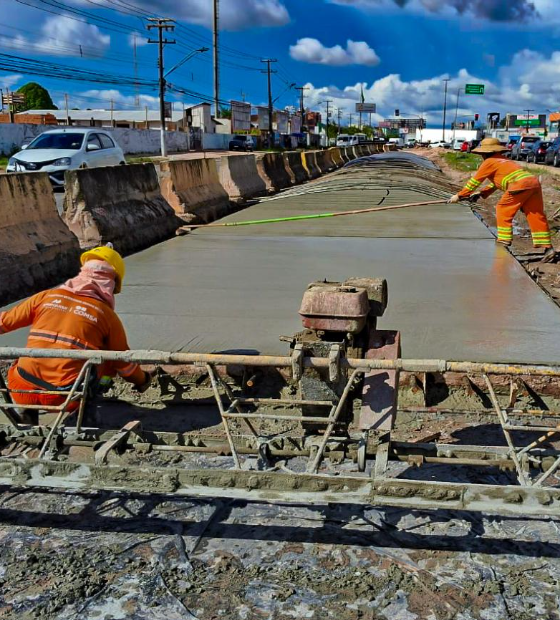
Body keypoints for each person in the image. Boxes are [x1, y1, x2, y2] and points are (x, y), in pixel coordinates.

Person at [0, 245, 153, 420]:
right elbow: (125, 365)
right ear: (111, 284)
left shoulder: (45, 297)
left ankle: (28, 412)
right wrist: (143, 380)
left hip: (21, 388)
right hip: (64, 397)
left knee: (27, 357)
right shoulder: (106, 316)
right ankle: (87, 414)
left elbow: (4, 323)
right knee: (109, 359)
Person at [448, 138, 554, 257]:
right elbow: (497, 182)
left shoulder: (489, 162)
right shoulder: (504, 160)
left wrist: (459, 195)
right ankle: (548, 248)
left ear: (484, 153)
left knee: (502, 208)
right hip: (533, 183)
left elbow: (474, 182)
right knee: (535, 214)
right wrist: (481, 194)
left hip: (519, 185)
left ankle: (504, 241)